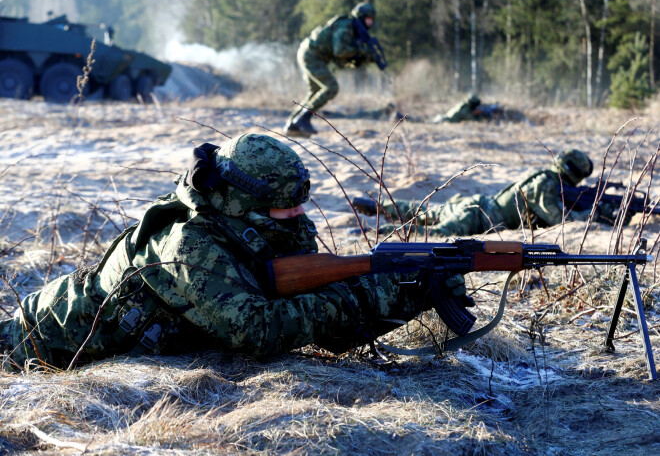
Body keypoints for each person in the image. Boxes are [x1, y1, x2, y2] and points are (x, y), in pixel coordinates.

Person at [0, 134, 468, 369]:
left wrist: (409, 288)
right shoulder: (190, 244)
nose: (298, 216)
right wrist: (370, 296)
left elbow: (319, 320)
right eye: (283, 207)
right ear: (244, 202)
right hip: (40, 342)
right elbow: (260, 331)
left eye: (299, 204)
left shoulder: (263, 221)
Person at [353, 149, 613, 237]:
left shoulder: (542, 176)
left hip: (474, 205)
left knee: (420, 211)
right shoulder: (544, 185)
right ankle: (377, 231)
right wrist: (594, 213)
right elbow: (561, 222)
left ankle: (375, 206)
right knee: (438, 234)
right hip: (478, 216)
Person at [283, 2, 380, 137]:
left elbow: (340, 61)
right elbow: (340, 50)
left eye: (372, 20)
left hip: (310, 54)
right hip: (312, 55)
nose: (370, 23)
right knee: (331, 88)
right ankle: (302, 120)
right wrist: (361, 51)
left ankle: (292, 125)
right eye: (368, 19)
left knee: (315, 92)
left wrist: (360, 59)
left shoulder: (351, 30)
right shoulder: (346, 26)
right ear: (361, 17)